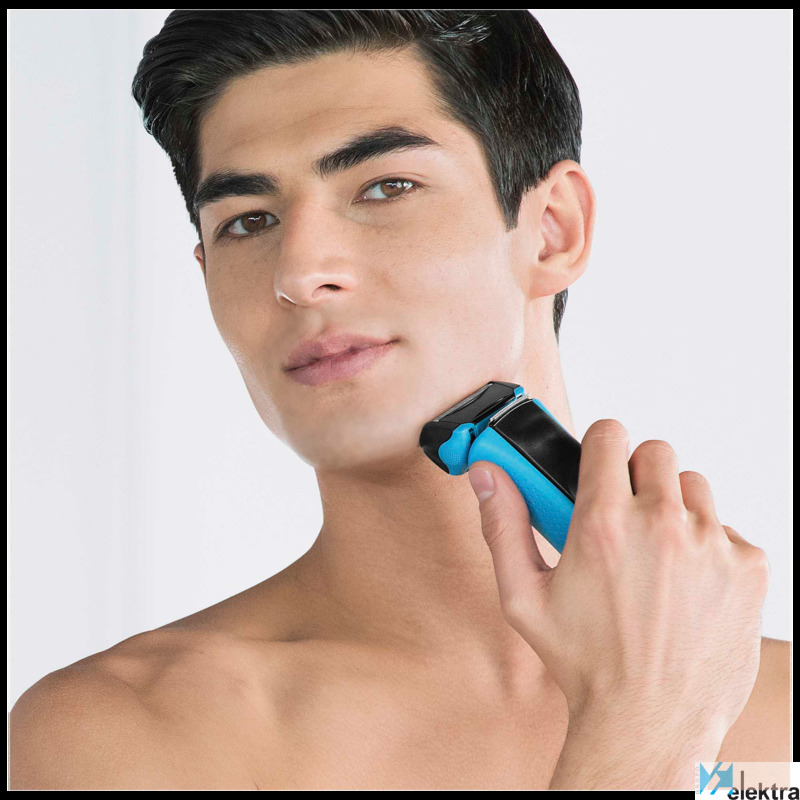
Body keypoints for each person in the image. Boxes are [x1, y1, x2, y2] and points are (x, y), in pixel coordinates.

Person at [10, 10, 789, 790]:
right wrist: (645, 727)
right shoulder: (127, 735)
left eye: (386, 187)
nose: (299, 272)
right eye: (249, 221)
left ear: (552, 231)